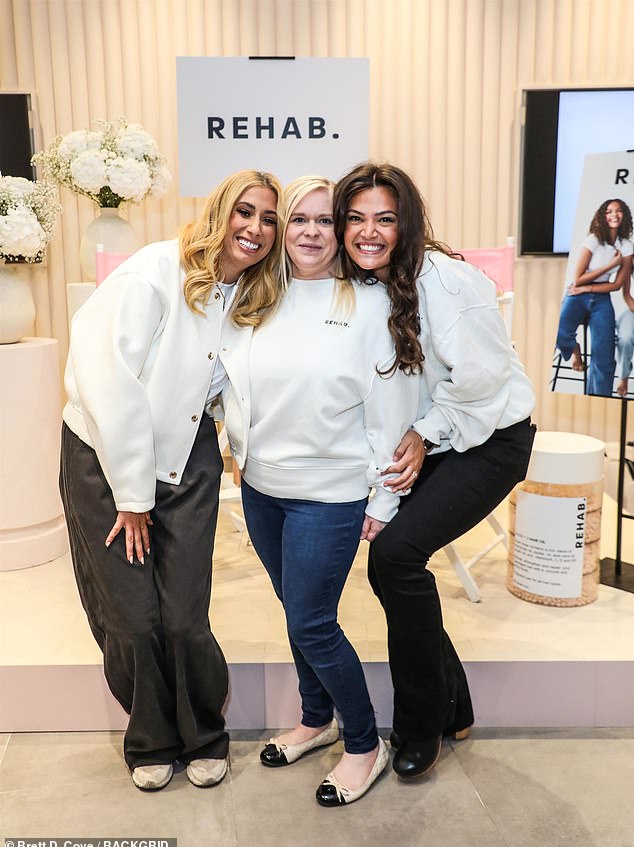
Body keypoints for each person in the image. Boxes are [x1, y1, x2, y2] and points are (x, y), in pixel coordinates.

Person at [59, 169, 284, 790]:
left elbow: (235, 392)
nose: (255, 228)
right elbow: (108, 384)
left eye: (269, 219)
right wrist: (132, 497)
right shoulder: (153, 272)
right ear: (218, 210)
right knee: (133, 617)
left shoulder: (252, 298)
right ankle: (151, 738)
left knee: (184, 615)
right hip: (105, 459)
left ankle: (203, 734)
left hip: (189, 458)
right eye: (245, 211)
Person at [333, 161, 536, 780]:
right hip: (440, 435)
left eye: (385, 219)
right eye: (356, 218)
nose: (369, 232)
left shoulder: (447, 282)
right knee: (394, 568)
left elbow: (483, 381)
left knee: (394, 559)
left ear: (408, 223)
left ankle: (421, 727)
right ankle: (456, 707)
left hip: (492, 437)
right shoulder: (369, 285)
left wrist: (426, 433)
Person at [220, 176, 418, 805]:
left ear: (340, 231)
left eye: (323, 221)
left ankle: (364, 744)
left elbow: (391, 411)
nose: (309, 232)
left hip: (330, 494)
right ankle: (315, 718)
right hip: (261, 488)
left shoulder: (367, 304)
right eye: (296, 220)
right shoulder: (255, 296)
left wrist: (384, 500)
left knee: (312, 622)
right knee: (298, 616)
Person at [555, 199, 634, 397]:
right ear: (602, 216)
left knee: (604, 357)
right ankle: (575, 351)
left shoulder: (626, 246)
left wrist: (587, 288)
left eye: (618, 211)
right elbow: (578, 278)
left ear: (624, 215)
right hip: (577, 295)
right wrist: (609, 266)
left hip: (601, 298)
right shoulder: (593, 240)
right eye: (609, 211)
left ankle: (599, 398)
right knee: (561, 333)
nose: (614, 214)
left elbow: (616, 285)